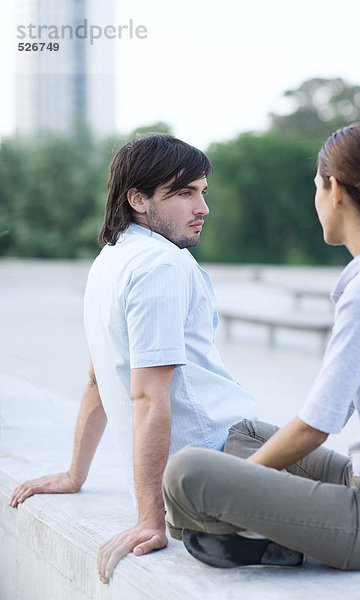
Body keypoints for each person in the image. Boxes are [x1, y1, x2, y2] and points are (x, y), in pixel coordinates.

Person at [163, 123, 360, 571]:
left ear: (334, 190)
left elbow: (316, 426)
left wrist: (240, 482)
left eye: (316, 188)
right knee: (242, 434)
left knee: (188, 474)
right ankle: (269, 535)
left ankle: (265, 540)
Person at [9, 134, 256, 583]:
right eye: (184, 193)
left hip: (215, 455)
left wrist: (74, 474)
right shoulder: (161, 266)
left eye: (203, 192)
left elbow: (97, 380)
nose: (202, 208)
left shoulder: (109, 261)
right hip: (226, 454)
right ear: (137, 199)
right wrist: (151, 519)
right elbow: (145, 397)